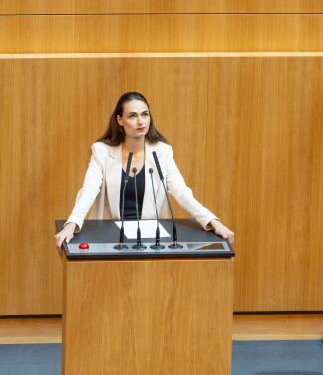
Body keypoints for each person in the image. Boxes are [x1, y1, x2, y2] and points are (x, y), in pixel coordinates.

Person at [54, 92, 234, 254]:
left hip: (150, 239)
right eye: (132, 116)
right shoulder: (101, 152)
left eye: (144, 114)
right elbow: (88, 191)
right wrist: (71, 225)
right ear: (120, 120)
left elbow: (182, 192)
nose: (140, 122)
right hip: (110, 236)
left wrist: (212, 222)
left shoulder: (162, 152)